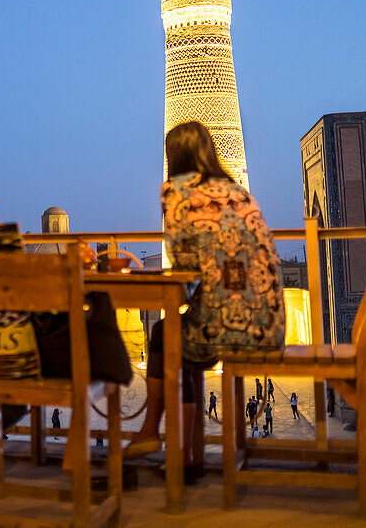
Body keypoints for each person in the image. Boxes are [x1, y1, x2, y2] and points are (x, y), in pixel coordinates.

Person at [125, 121, 285, 484]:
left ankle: (164, 440)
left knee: (166, 337)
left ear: (173, 156)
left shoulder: (176, 191)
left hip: (228, 327)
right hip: (270, 325)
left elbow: (182, 266)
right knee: (175, 338)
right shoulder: (239, 192)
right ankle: (185, 457)